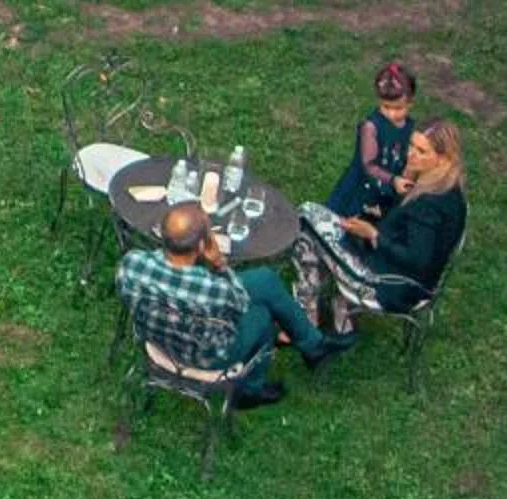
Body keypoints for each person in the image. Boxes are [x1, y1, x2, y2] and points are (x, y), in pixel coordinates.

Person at [116, 198, 349, 411]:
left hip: (156, 337)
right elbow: (239, 304)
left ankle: (312, 344)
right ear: (200, 246)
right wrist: (219, 264)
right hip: (207, 355)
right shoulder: (213, 289)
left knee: (265, 279)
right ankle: (251, 390)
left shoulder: (131, 264)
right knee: (263, 316)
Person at [295, 118, 468, 337]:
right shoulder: (449, 191)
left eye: (421, 151)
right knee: (328, 227)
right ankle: (342, 313)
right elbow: (412, 229)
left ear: (444, 159)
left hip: (388, 285)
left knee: (307, 216)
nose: (411, 154)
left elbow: (418, 259)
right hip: (416, 283)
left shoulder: (429, 204)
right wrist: (382, 215)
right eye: (411, 145)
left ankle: (308, 312)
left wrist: (374, 234)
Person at [327, 58, 418, 221]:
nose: (391, 114)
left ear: (410, 102)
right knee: (346, 222)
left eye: (398, 108)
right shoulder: (371, 128)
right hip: (363, 187)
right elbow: (368, 166)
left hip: (390, 187)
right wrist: (392, 180)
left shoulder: (411, 127)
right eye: (386, 107)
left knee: (378, 224)